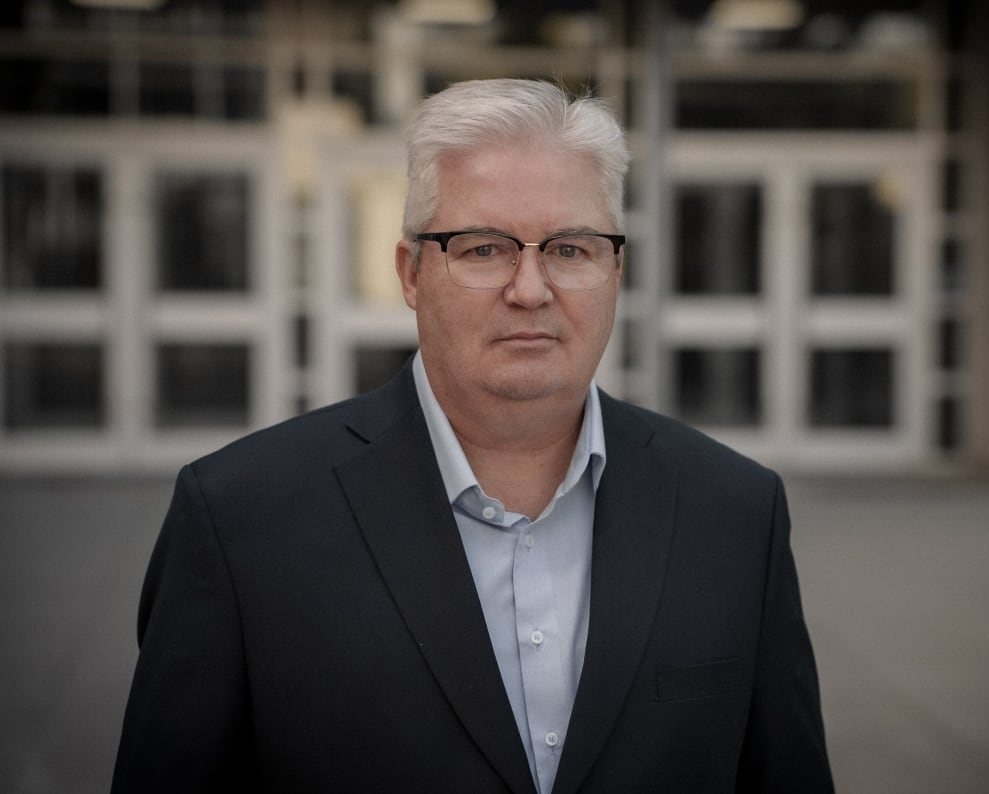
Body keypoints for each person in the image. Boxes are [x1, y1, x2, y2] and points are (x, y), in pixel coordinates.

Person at [112, 78, 833, 794]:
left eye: (571, 249)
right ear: (412, 273)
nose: (529, 288)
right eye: (484, 248)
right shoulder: (240, 520)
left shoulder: (736, 512)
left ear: (617, 271)